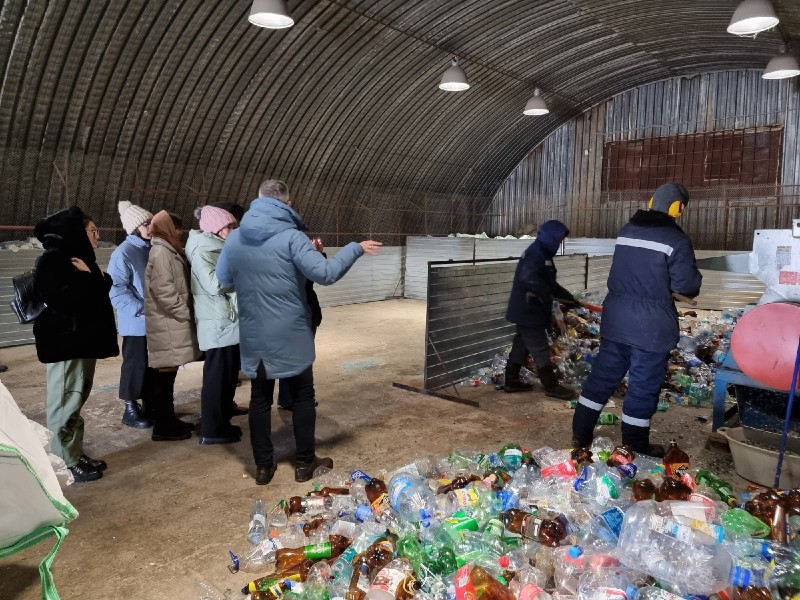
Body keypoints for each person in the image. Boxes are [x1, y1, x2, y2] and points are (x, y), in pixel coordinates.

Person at [217, 179, 382, 485]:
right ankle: (305, 463)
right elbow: (326, 273)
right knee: (303, 395)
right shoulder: (292, 237)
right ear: (287, 205)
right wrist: (355, 248)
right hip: (290, 331)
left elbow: (224, 280)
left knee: (260, 399)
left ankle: (263, 467)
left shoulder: (235, 238)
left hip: (256, 333)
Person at [571, 182, 702, 457]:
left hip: (616, 320)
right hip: (650, 328)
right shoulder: (675, 240)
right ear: (678, 209)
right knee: (643, 385)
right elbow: (687, 285)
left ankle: (580, 434)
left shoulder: (627, 231)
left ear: (652, 201)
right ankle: (634, 445)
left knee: (602, 377)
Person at [33, 207, 119, 482]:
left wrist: (94, 277)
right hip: (66, 344)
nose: (97, 236)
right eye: (92, 231)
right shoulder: (55, 260)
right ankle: (65, 460)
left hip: (82, 342)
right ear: (76, 232)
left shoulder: (80, 260)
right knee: (64, 402)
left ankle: (74, 451)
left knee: (75, 400)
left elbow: (98, 288)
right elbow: (62, 302)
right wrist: (91, 278)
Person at [503, 220, 580, 400]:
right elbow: (529, 278)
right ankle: (551, 386)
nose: (560, 243)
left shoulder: (543, 254)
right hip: (528, 311)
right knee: (540, 349)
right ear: (551, 237)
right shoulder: (535, 254)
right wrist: (547, 295)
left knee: (521, 346)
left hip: (529, 311)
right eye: (559, 240)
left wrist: (569, 298)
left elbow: (550, 284)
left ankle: (511, 380)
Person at [186, 206, 242, 444]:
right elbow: (214, 284)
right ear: (216, 229)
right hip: (218, 322)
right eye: (230, 227)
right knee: (217, 378)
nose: (233, 231)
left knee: (227, 377)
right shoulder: (202, 249)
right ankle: (212, 429)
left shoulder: (219, 247)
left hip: (227, 321)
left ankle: (222, 422)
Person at [145, 210, 201, 442]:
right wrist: (186, 313)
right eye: (176, 228)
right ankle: (163, 425)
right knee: (165, 376)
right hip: (167, 323)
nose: (179, 232)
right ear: (167, 229)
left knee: (168, 375)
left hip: (170, 323)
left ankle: (167, 419)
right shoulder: (160, 252)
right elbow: (164, 291)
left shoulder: (168, 250)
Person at [108, 201, 155, 428]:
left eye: (151, 222)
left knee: (152, 365)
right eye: (146, 224)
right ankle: (129, 407)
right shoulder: (124, 252)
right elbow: (116, 289)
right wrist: (141, 308)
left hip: (155, 321)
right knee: (135, 365)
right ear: (135, 228)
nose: (151, 227)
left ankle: (149, 404)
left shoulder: (151, 248)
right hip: (137, 322)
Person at [277, 236, 324, 411]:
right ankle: (294, 399)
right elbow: (318, 274)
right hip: (297, 315)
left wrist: (314, 254)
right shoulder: (287, 260)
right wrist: (312, 254)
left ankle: (288, 398)